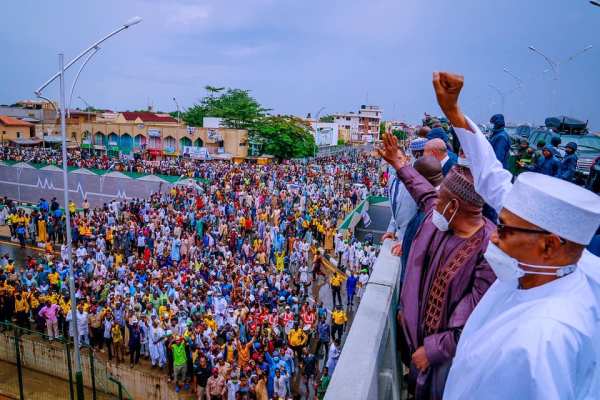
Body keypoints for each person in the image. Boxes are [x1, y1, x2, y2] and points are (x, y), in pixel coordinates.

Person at [431, 71, 600, 399]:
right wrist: (454, 113)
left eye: (504, 229)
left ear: (550, 244)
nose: (493, 236)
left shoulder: (545, 338)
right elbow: (492, 178)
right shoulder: (544, 268)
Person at [378, 132, 496, 400]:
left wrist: (432, 350)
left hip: (446, 362)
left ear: (454, 206)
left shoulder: (488, 250)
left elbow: (475, 317)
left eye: (440, 199)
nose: (433, 203)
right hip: (419, 349)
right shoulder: (441, 217)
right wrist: (399, 163)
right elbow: (423, 193)